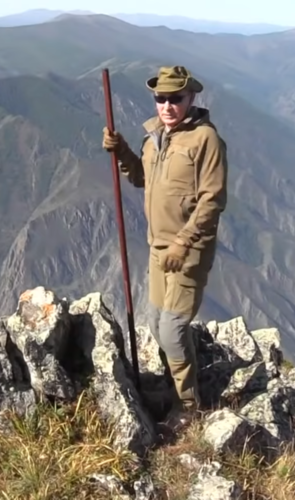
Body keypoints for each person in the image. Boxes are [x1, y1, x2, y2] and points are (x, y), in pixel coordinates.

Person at [101, 65, 228, 427]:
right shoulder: (155, 137)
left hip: (188, 252)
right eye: (161, 98)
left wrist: (182, 244)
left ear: (191, 98)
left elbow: (212, 200)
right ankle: (176, 387)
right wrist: (122, 150)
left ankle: (188, 407)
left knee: (171, 328)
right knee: (157, 324)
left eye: (176, 98)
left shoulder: (206, 140)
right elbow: (143, 178)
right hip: (158, 248)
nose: (168, 105)